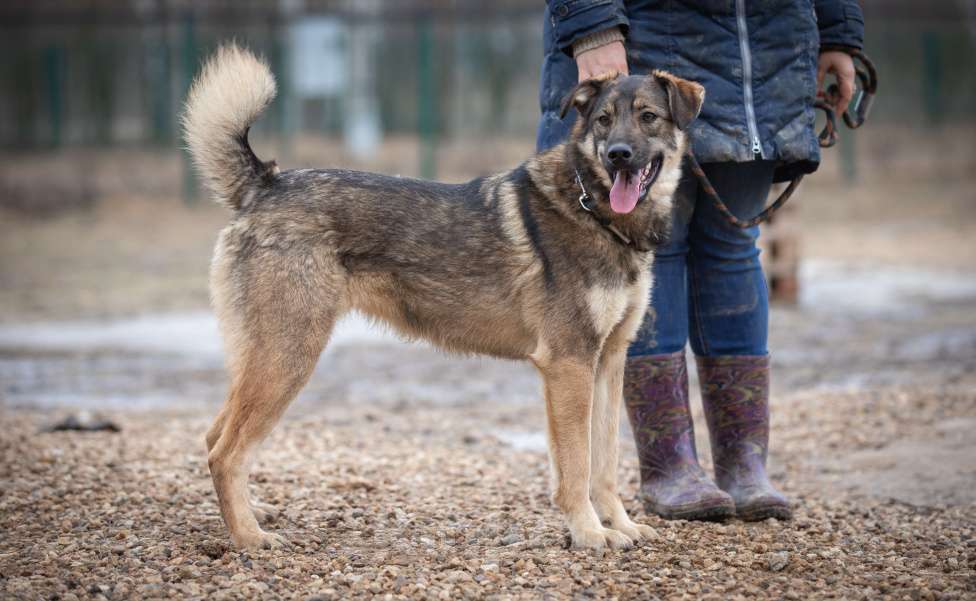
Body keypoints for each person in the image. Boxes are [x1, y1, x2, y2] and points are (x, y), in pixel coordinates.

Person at [537, 1, 864, 521]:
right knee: (653, 250)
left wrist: (840, 33)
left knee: (735, 246)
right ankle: (670, 468)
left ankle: (743, 465)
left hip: (767, 54)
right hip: (644, 34)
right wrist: (591, 25)